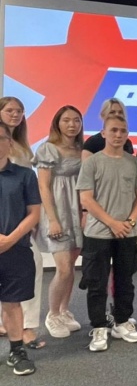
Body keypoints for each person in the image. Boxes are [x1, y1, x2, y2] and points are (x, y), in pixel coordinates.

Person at [76, 115, 137, 352]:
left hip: (127, 232)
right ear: (103, 133)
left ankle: (122, 321)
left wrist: (130, 221)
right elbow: (86, 199)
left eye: (123, 131)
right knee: (97, 283)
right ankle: (98, 326)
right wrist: (112, 223)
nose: (118, 135)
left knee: (125, 280)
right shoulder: (92, 162)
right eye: (114, 130)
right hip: (98, 233)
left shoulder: (134, 163)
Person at [35, 106, 84, 340]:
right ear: (57, 123)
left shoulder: (81, 150)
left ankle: (64, 310)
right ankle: (52, 314)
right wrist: (53, 220)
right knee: (63, 268)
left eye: (76, 120)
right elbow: (43, 186)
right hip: (58, 212)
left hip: (78, 211)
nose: (72, 124)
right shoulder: (48, 149)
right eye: (66, 120)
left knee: (71, 265)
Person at [0, 96, 45, 349]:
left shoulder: (23, 147)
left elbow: (30, 196)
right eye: (10, 110)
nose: (15, 114)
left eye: (19, 111)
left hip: (19, 223)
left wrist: (32, 223)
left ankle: (26, 326)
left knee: (31, 267)